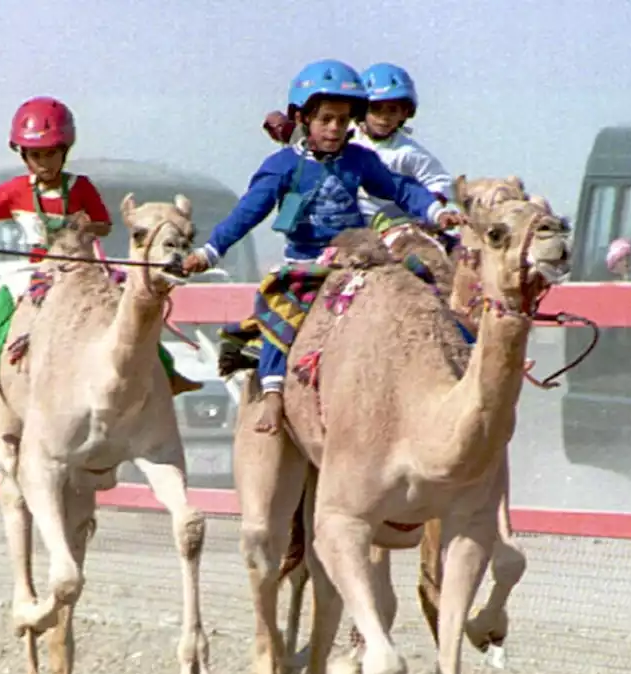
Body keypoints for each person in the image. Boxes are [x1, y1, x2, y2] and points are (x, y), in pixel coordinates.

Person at [183, 59, 465, 433]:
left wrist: (435, 210)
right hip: (305, 262)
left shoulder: (361, 160)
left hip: (357, 259)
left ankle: (459, 358)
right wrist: (209, 252)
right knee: (281, 311)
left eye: (343, 120)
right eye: (326, 119)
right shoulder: (282, 166)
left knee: (421, 287)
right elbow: (246, 214)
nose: (335, 128)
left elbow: (399, 189)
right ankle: (272, 395)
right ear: (303, 118)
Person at [0, 96, 203, 398]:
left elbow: (105, 225)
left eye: (51, 154)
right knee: (1, 301)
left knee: (129, 305)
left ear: (64, 152)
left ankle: (167, 371)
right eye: (36, 155)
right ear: (23, 155)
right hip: (37, 269)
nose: (44, 162)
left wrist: (86, 227)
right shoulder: (16, 190)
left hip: (82, 267)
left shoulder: (81, 188)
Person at [350, 63, 456, 233]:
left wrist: (432, 209)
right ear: (362, 110)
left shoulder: (408, 152)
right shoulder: (346, 142)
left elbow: (439, 181)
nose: (384, 118)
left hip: (396, 226)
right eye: (376, 109)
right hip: (350, 224)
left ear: (405, 113)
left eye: (392, 110)